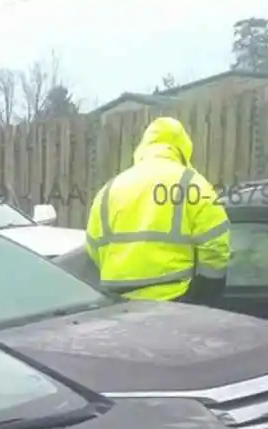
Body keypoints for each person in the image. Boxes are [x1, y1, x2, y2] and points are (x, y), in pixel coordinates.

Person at [84, 117, 231, 305]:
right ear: (182, 146)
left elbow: (93, 246)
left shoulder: (109, 189)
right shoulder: (193, 184)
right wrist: (205, 293)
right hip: (176, 301)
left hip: (118, 306)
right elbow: (216, 243)